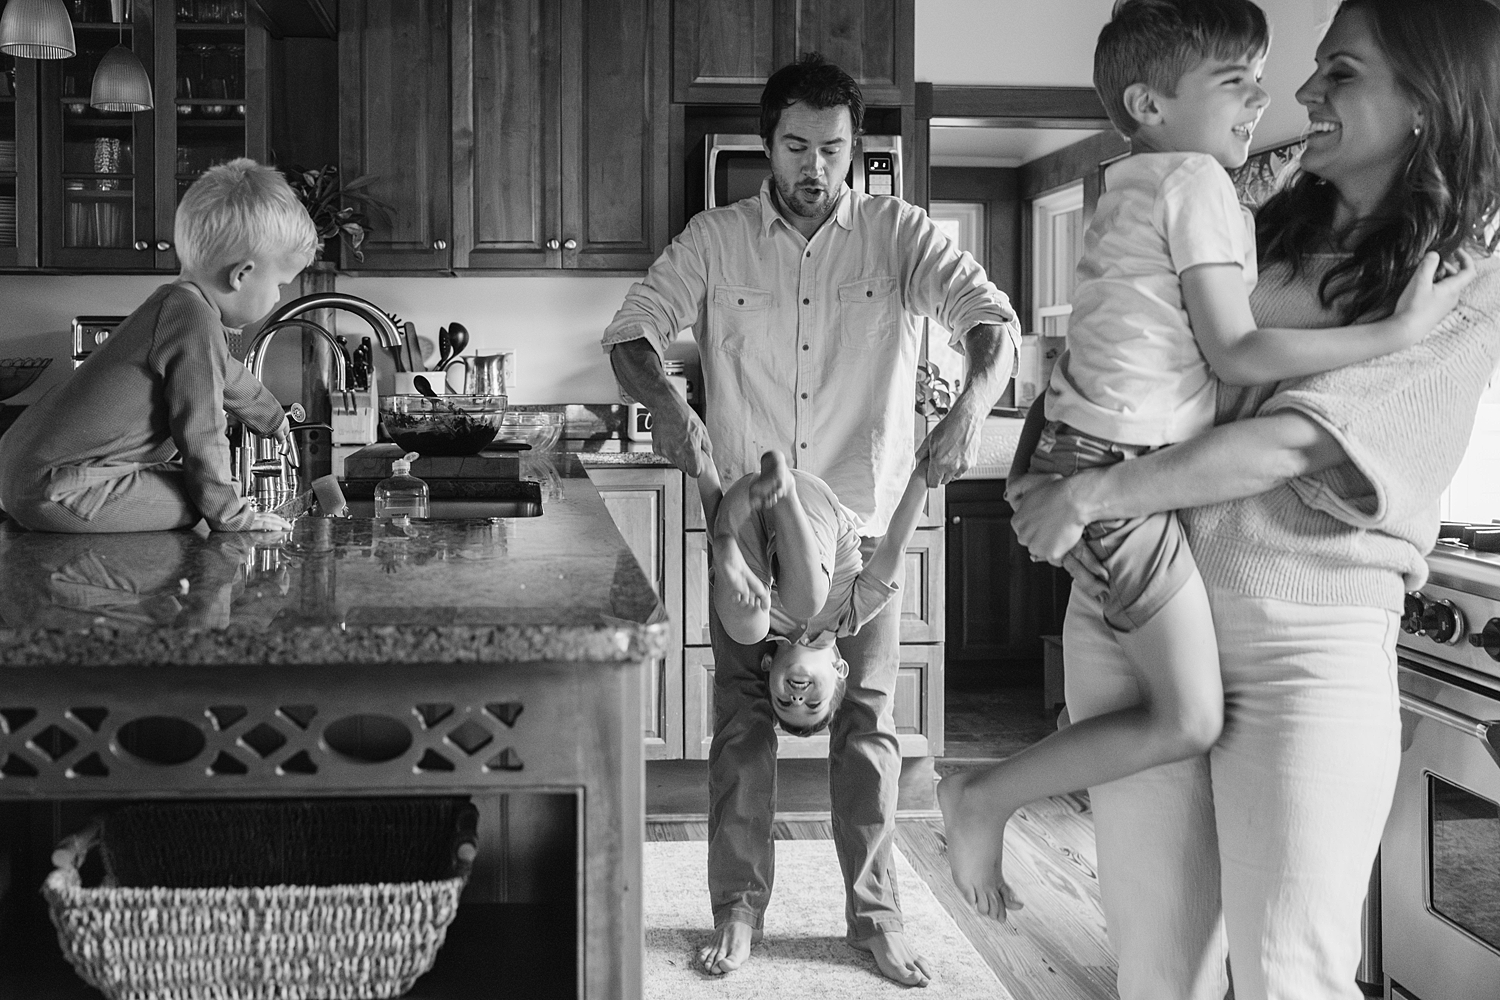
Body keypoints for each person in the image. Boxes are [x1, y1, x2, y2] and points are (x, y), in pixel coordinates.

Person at [935, 0, 1474, 924]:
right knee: (1161, 944)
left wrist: (1073, 479)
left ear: (1431, 101)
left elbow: (1286, 439)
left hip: (1287, 612)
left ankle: (986, 795)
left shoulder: (1458, 261)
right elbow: (1219, 357)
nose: (1285, 97)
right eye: (1243, 82)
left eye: (1335, 73)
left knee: (1284, 965)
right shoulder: (1224, 199)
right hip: (1143, 529)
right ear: (1151, 101)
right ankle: (983, 795)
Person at [603, 53, 1021, 986]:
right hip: (747, 533)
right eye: (797, 146)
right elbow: (631, 333)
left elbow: (993, 322)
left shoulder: (900, 235)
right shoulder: (714, 240)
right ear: (767, 144)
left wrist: (968, 409)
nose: (815, 168)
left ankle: (873, 921)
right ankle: (738, 910)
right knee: (742, 724)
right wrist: (684, 427)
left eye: (833, 149)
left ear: (855, 148)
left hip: (864, 532)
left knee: (866, 730)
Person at [0, 158, 312, 534]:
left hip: (24, 473)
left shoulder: (178, 305)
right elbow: (202, 431)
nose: (279, 297)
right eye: (280, 284)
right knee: (196, 499)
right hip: (60, 492)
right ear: (241, 275)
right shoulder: (195, 320)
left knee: (197, 485)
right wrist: (234, 516)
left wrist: (271, 416)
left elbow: (224, 373)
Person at [698, 450, 931, 739]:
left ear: (768, 667)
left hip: (743, 506)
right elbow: (895, 544)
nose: (797, 699)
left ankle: (726, 552)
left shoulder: (765, 621)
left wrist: (703, 470)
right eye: (813, 703)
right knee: (805, 603)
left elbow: (716, 510)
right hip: (810, 507)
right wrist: (923, 475)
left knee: (746, 630)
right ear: (839, 668)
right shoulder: (850, 615)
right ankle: (783, 496)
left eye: (784, 702)